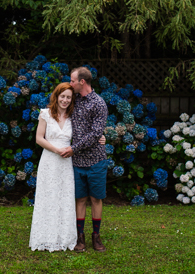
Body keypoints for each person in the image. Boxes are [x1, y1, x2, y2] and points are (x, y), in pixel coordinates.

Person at [29, 82, 105, 252]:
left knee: (65, 198)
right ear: (56, 96)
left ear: (72, 100)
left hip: (66, 163)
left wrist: (102, 137)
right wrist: (57, 150)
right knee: (49, 197)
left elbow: (88, 131)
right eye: (62, 96)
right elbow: (39, 139)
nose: (65, 100)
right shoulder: (46, 114)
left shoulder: (74, 117)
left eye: (68, 97)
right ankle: (45, 236)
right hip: (50, 160)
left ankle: (66, 236)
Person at [59, 66, 109, 252]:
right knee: (79, 199)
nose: (70, 84)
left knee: (96, 199)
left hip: (96, 160)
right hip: (76, 162)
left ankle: (96, 236)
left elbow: (96, 133)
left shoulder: (99, 104)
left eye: (72, 80)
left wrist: (74, 148)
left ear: (82, 82)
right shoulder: (73, 100)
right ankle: (80, 237)